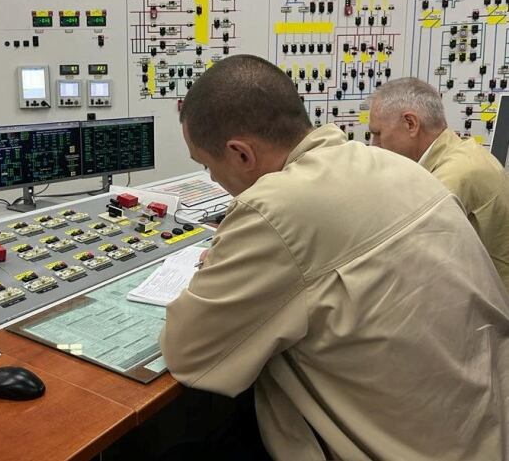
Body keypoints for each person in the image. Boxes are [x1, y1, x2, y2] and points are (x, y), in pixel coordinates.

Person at [160, 54, 509, 460]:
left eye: (207, 165)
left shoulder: (273, 208)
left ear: (241, 154)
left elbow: (188, 353)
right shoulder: (396, 166)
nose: (214, 180)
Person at [368, 77, 509, 289]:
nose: (374, 146)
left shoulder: (452, 177)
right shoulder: (463, 153)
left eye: (378, 134)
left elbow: (405, 258)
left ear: (411, 124)